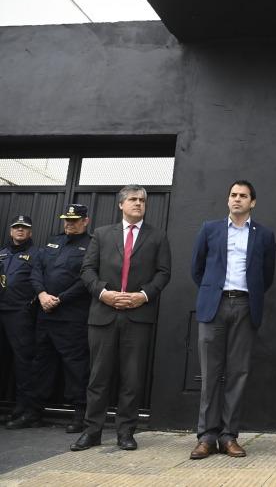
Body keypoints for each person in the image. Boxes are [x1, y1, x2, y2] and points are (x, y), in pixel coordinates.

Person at [72, 185, 171, 451]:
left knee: (132, 378)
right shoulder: (102, 234)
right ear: (120, 204)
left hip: (138, 316)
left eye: (142, 200)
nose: (138, 203)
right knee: (98, 377)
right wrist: (103, 293)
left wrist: (143, 295)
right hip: (103, 314)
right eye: (133, 199)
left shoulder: (157, 236)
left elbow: (163, 273)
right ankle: (92, 431)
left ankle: (126, 432)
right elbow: (87, 269)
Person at [189, 180, 276, 460]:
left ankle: (228, 436)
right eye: (233, 195)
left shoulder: (264, 235)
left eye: (243, 196)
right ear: (228, 200)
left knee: (238, 373)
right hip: (213, 306)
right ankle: (206, 436)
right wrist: (213, 291)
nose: (237, 199)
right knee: (210, 374)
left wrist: (247, 296)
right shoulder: (210, 229)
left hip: (245, 305)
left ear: (252, 202)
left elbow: (267, 275)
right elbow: (197, 268)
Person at [27, 204, 92, 434]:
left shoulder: (92, 245)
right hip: (45, 313)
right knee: (41, 363)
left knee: (76, 366)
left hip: (71, 317)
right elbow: (37, 270)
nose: (69, 224)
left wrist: (60, 299)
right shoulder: (53, 241)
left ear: (85, 221)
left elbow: (86, 279)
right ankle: (33, 412)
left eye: (74, 220)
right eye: (67, 220)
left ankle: (80, 415)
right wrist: (42, 294)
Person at [1, 215, 40, 429]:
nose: (20, 230)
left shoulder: (37, 254)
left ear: (30, 232)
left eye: (24, 228)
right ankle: (11, 410)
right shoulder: (2, 253)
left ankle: (28, 411)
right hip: (1, 311)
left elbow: (39, 281)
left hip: (20, 314)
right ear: (10, 231)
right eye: (16, 227)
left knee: (24, 363)